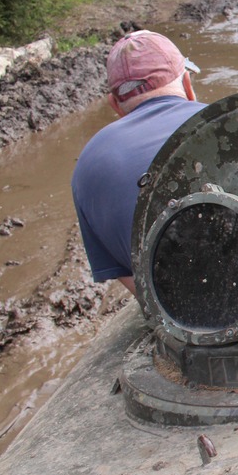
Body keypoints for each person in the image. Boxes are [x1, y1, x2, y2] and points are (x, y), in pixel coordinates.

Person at [72, 30, 205, 295]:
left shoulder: (86, 166)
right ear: (187, 85)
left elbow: (133, 281)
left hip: (186, 321)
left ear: (115, 105)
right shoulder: (228, 120)